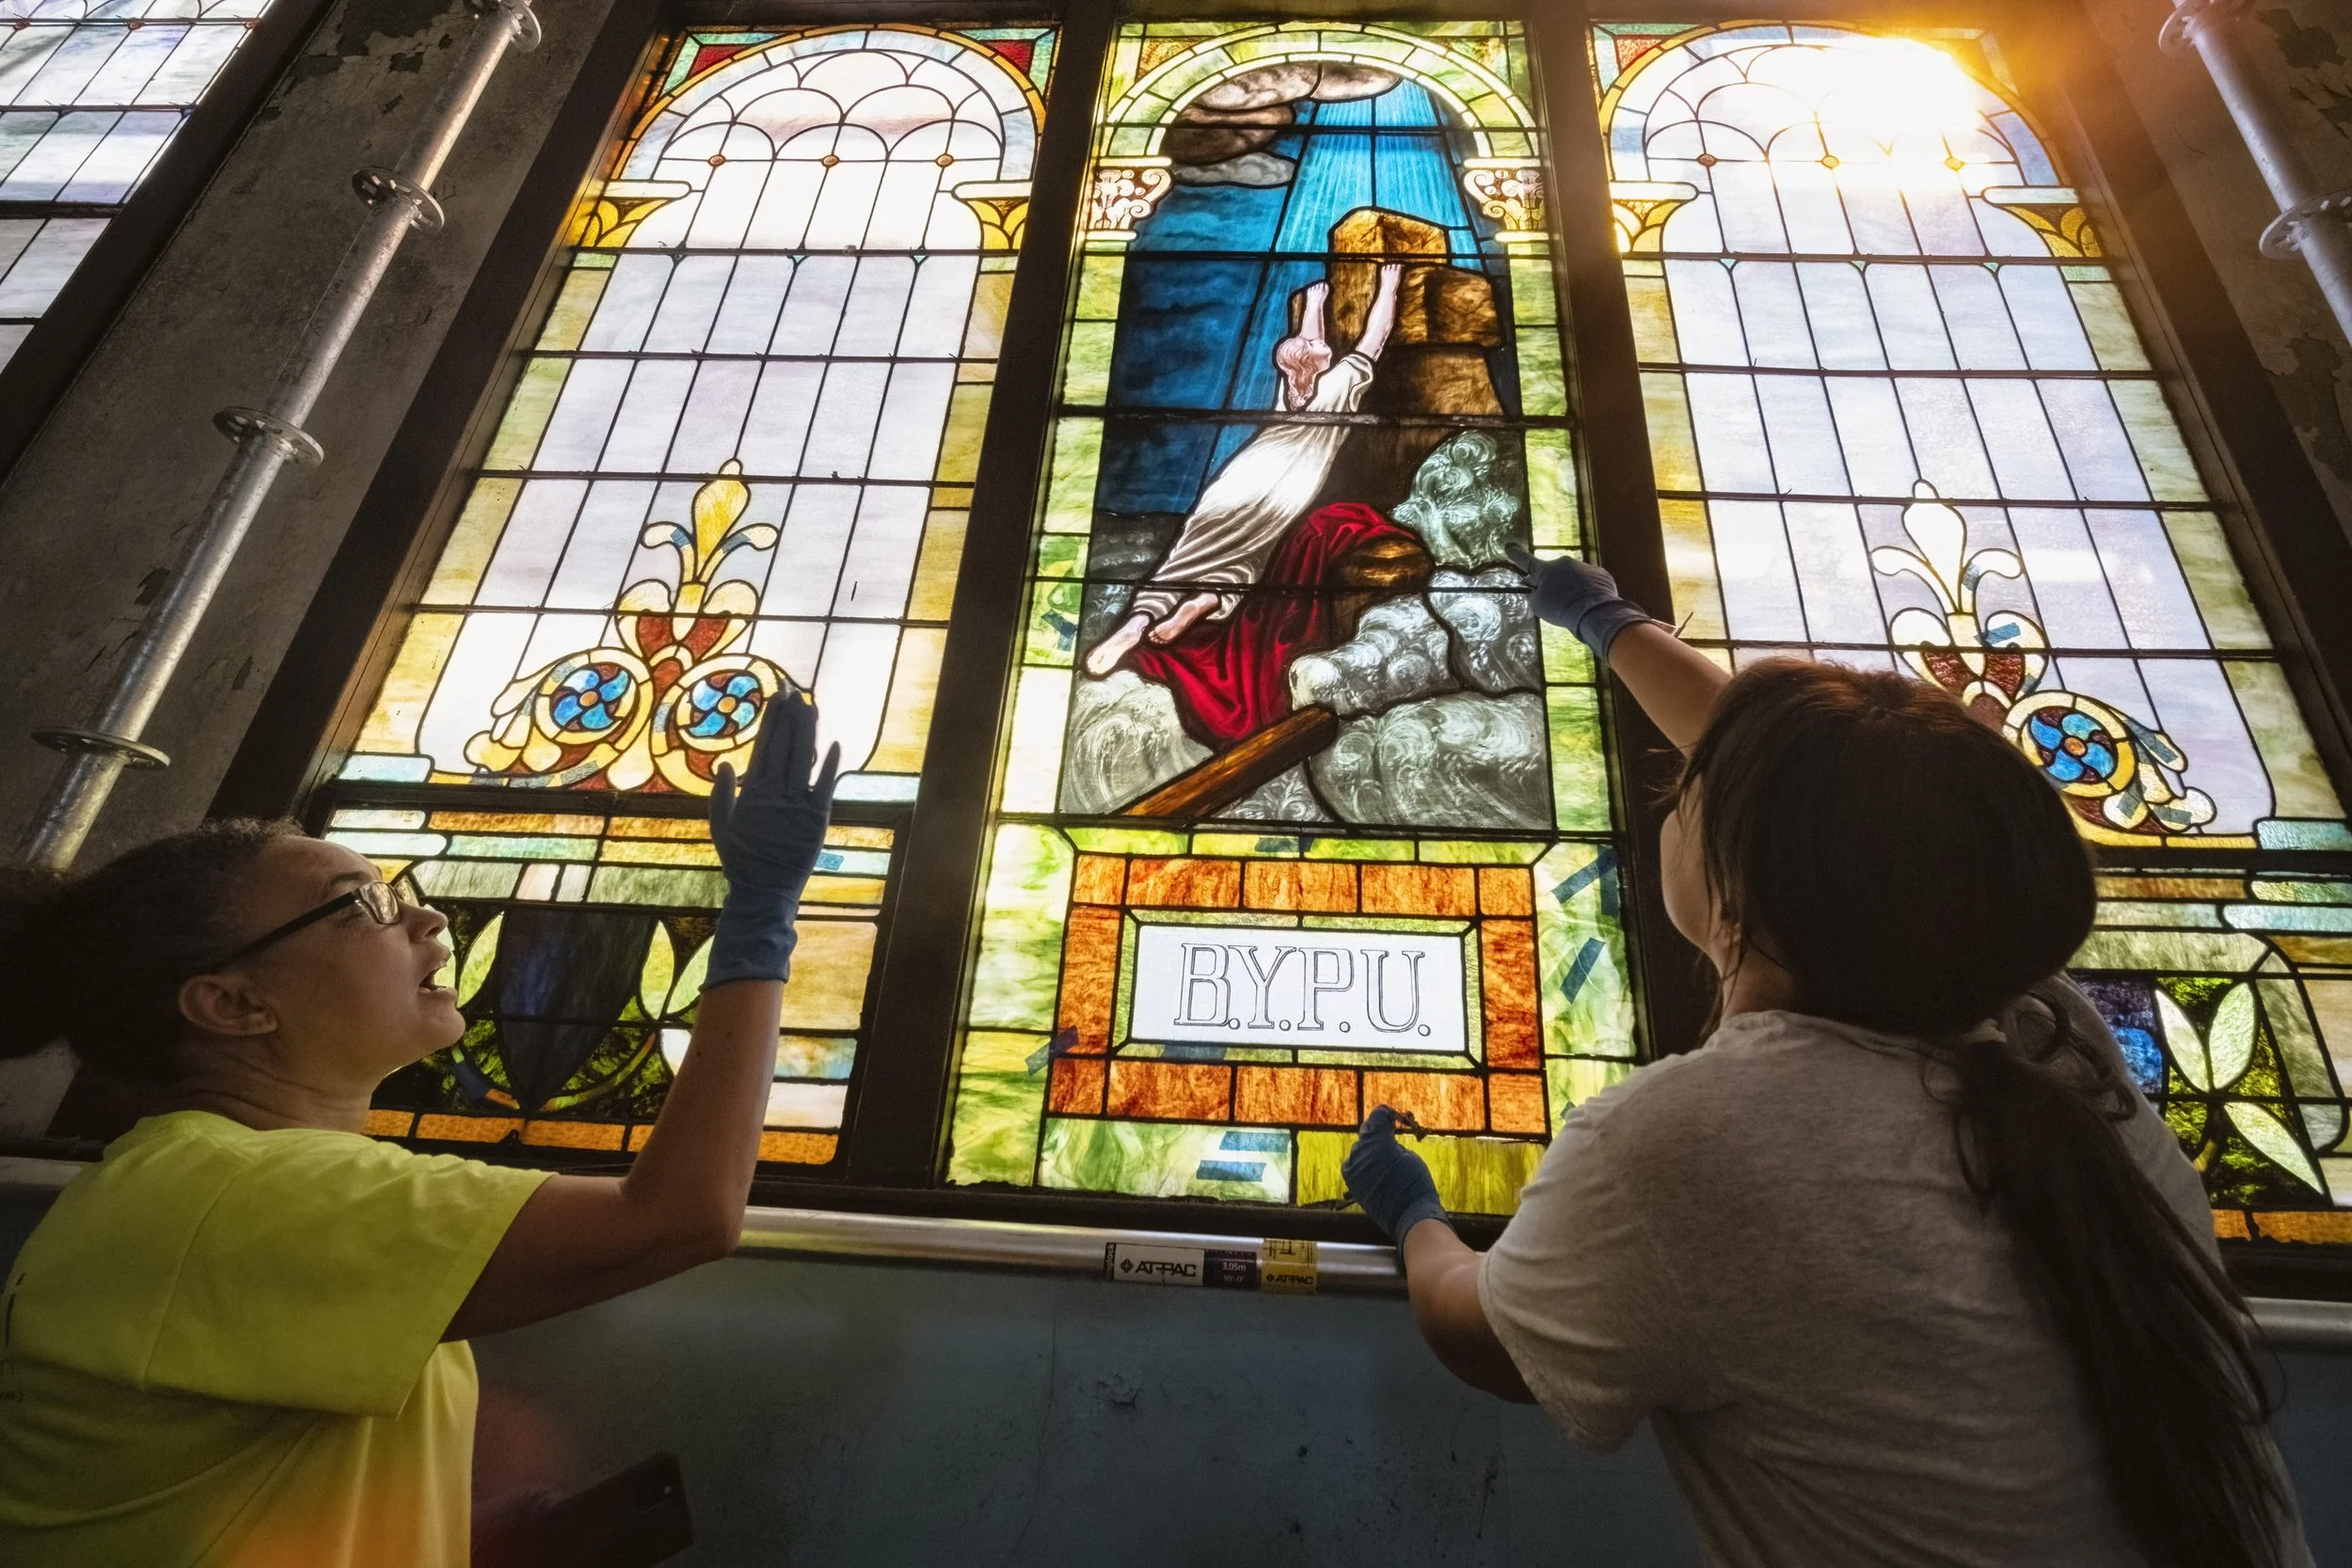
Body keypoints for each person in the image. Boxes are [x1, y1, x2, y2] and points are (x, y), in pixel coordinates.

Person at [1342, 548, 2312, 1568]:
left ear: (1736, 881)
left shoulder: (1693, 1142)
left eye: (1689, 789)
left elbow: (1480, 1334)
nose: (1677, 791)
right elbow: (1845, 802)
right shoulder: (2050, 1044)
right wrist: (1608, 622)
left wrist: (1416, 1220)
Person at [0, 694, 839, 1568]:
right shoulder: (235, 1195)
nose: (427, 917)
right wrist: (759, 921)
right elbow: (683, 1212)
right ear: (235, 1003)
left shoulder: (206, 1183)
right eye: (360, 906)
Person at [1086, 261, 1406, 677]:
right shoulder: (1342, 381)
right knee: (1247, 559)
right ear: (1320, 359)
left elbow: (1308, 342)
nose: (1314, 342)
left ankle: (1136, 621)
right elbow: (1374, 339)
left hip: (1242, 476)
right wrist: (1389, 285)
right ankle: (1204, 603)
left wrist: (1315, 301)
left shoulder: (1290, 388)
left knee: (1183, 555)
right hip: (1291, 485)